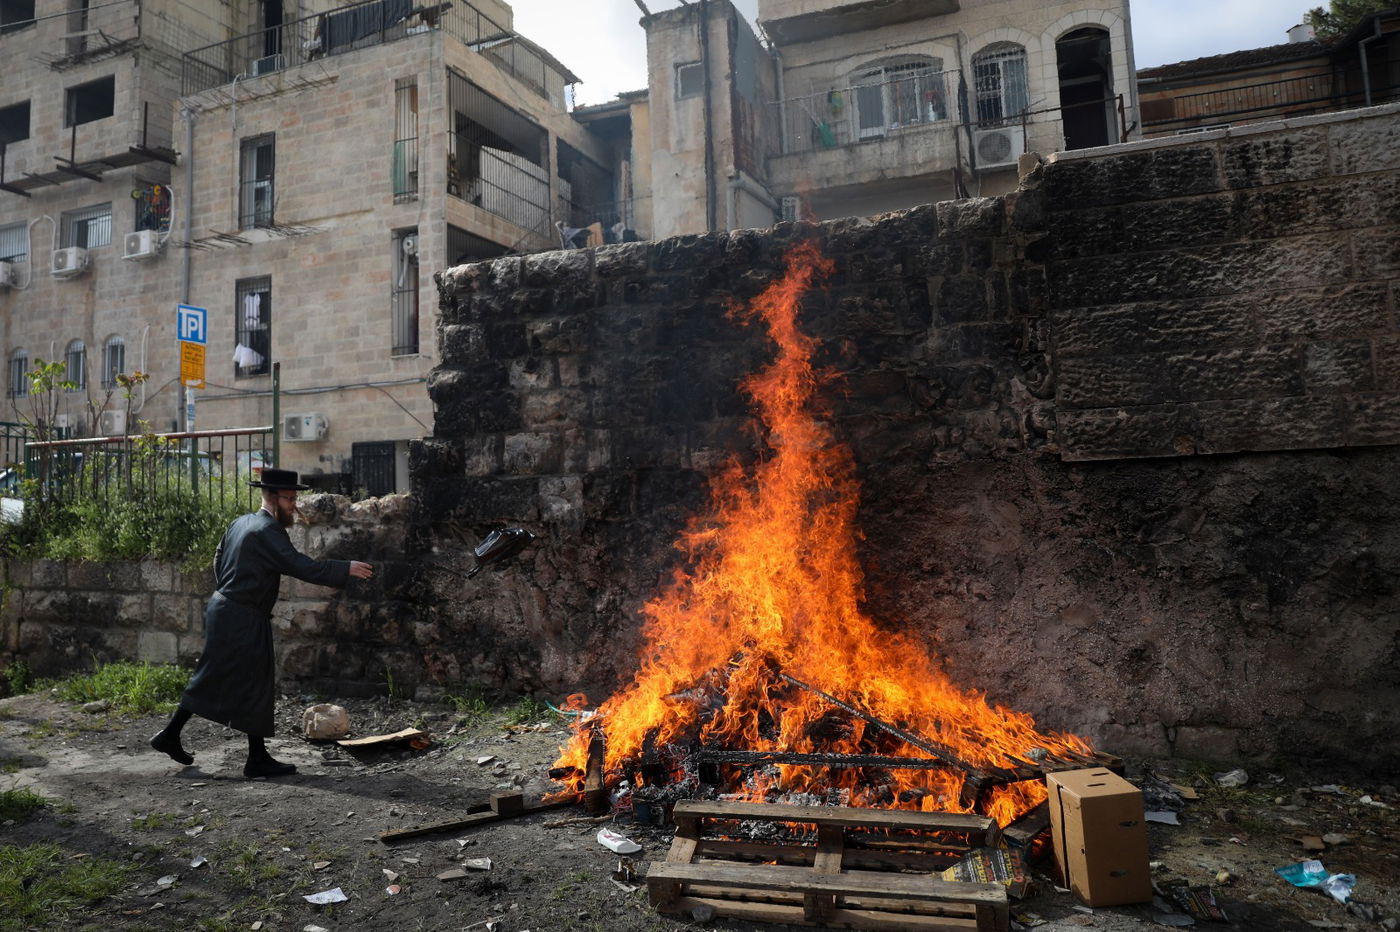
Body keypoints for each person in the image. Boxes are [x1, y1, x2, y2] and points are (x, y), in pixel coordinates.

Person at [149, 468, 373, 778]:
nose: (294, 506)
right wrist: (343, 568)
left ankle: (248, 755)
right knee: (221, 676)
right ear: (272, 496)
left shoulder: (241, 522)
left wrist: (230, 590)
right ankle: (176, 737)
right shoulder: (267, 530)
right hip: (240, 615)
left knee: (249, 678)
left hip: (230, 610)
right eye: (290, 499)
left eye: (295, 499)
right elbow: (298, 565)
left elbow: (218, 558)